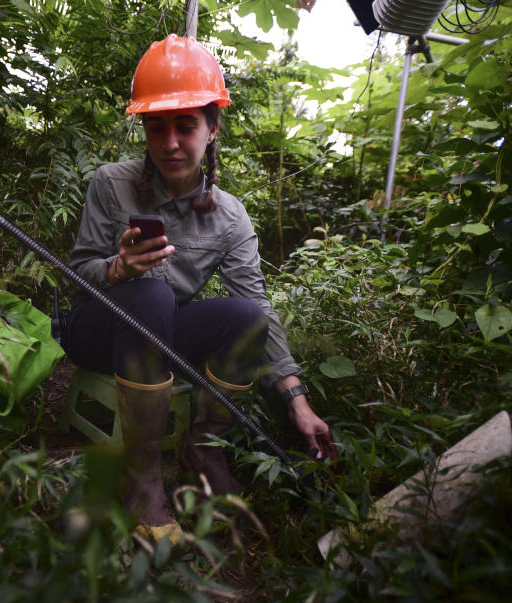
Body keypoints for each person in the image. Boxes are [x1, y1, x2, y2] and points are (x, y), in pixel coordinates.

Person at [62, 34, 338, 544]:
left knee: (245, 315)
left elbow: (257, 305)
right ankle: (142, 478)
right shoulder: (110, 183)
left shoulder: (230, 217)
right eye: (156, 126)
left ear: (212, 128)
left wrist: (296, 398)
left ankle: (204, 446)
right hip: (97, 328)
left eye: (185, 126)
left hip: (160, 336)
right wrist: (119, 270)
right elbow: (77, 273)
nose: (169, 143)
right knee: (152, 295)